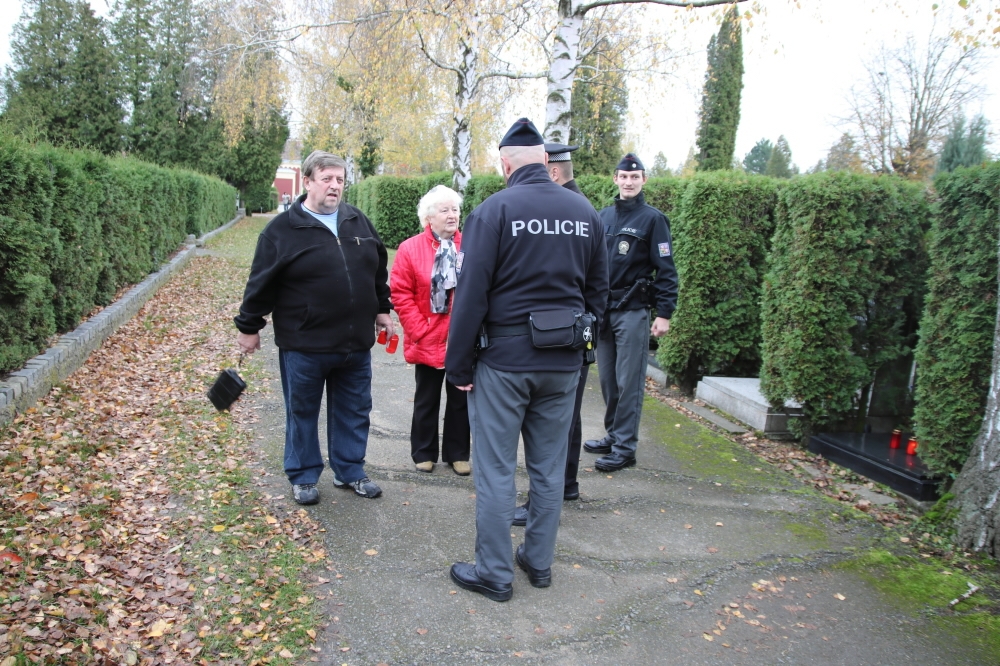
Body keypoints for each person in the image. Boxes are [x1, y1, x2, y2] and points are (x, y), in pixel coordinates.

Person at [446, 119, 609, 601]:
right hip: (562, 365)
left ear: (505, 164)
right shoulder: (584, 211)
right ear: (545, 161)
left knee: (496, 469)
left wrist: (458, 365)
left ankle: (494, 573)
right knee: (548, 465)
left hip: (505, 361)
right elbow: (600, 292)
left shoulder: (494, 211)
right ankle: (538, 562)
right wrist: (581, 342)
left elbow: (472, 295)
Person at [234, 150, 394, 505]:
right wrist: (249, 326)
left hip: (354, 344)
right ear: (307, 182)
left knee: (355, 409)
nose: (335, 186)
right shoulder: (281, 232)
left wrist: (382, 309)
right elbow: (260, 284)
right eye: (327, 179)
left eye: (339, 180)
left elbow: (377, 270)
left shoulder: (358, 221)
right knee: (302, 410)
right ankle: (304, 475)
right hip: (305, 344)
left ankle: (350, 469)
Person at [512, 142, 600, 527]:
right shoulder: (582, 210)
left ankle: (552, 494)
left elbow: (596, 284)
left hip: (558, 336)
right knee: (565, 415)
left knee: (555, 422)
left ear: (551, 170)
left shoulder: (570, 209)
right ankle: (564, 486)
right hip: (573, 333)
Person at [584, 153, 678, 472]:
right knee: (608, 380)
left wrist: (664, 313)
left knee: (629, 382)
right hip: (604, 310)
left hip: (633, 310)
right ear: (615, 179)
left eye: (634, 177)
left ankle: (625, 448)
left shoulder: (654, 220)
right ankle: (613, 435)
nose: (628, 182)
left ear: (643, 181)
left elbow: (666, 270)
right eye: (623, 176)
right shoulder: (603, 216)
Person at [390, 185, 471, 476]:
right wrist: (417, 328)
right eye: (445, 210)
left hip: (462, 335)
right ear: (429, 217)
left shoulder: (472, 244)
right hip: (427, 334)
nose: (452, 215)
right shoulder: (410, 248)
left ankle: (458, 453)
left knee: (461, 397)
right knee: (427, 397)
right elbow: (400, 293)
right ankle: (423, 452)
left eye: (456, 209)